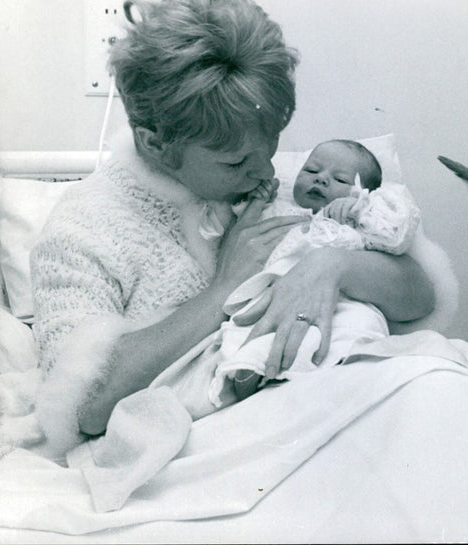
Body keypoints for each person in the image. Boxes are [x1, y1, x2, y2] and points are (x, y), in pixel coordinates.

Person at [28, 0, 436, 461]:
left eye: (272, 148)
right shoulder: (83, 230)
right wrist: (223, 289)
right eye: (236, 163)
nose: (265, 171)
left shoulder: (292, 185)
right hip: (235, 443)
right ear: (155, 143)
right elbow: (79, 409)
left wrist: (330, 266)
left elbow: (423, 296)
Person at [152, 138, 422, 417]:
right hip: (270, 295)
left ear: (362, 192)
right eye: (311, 171)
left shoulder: (359, 219)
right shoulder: (276, 207)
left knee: (353, 328)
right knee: (245, 334)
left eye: (340, 179)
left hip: (341, 302)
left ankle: (337, 379)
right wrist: (255, 198)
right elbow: (213, 227)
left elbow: (396, 236)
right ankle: (246, 375)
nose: (321, 180)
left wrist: (360, 210)